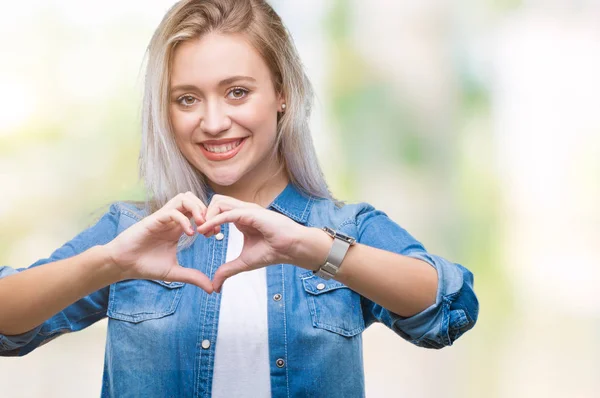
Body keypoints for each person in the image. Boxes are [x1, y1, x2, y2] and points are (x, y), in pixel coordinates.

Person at [0, 0, 478, 397]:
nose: (212, 122)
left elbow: (451, 307)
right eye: (187, 98)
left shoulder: (342, 226)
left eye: (237, 92)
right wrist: (108, 263)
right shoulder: (131, 233)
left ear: (282, 94)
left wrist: (311, 248)